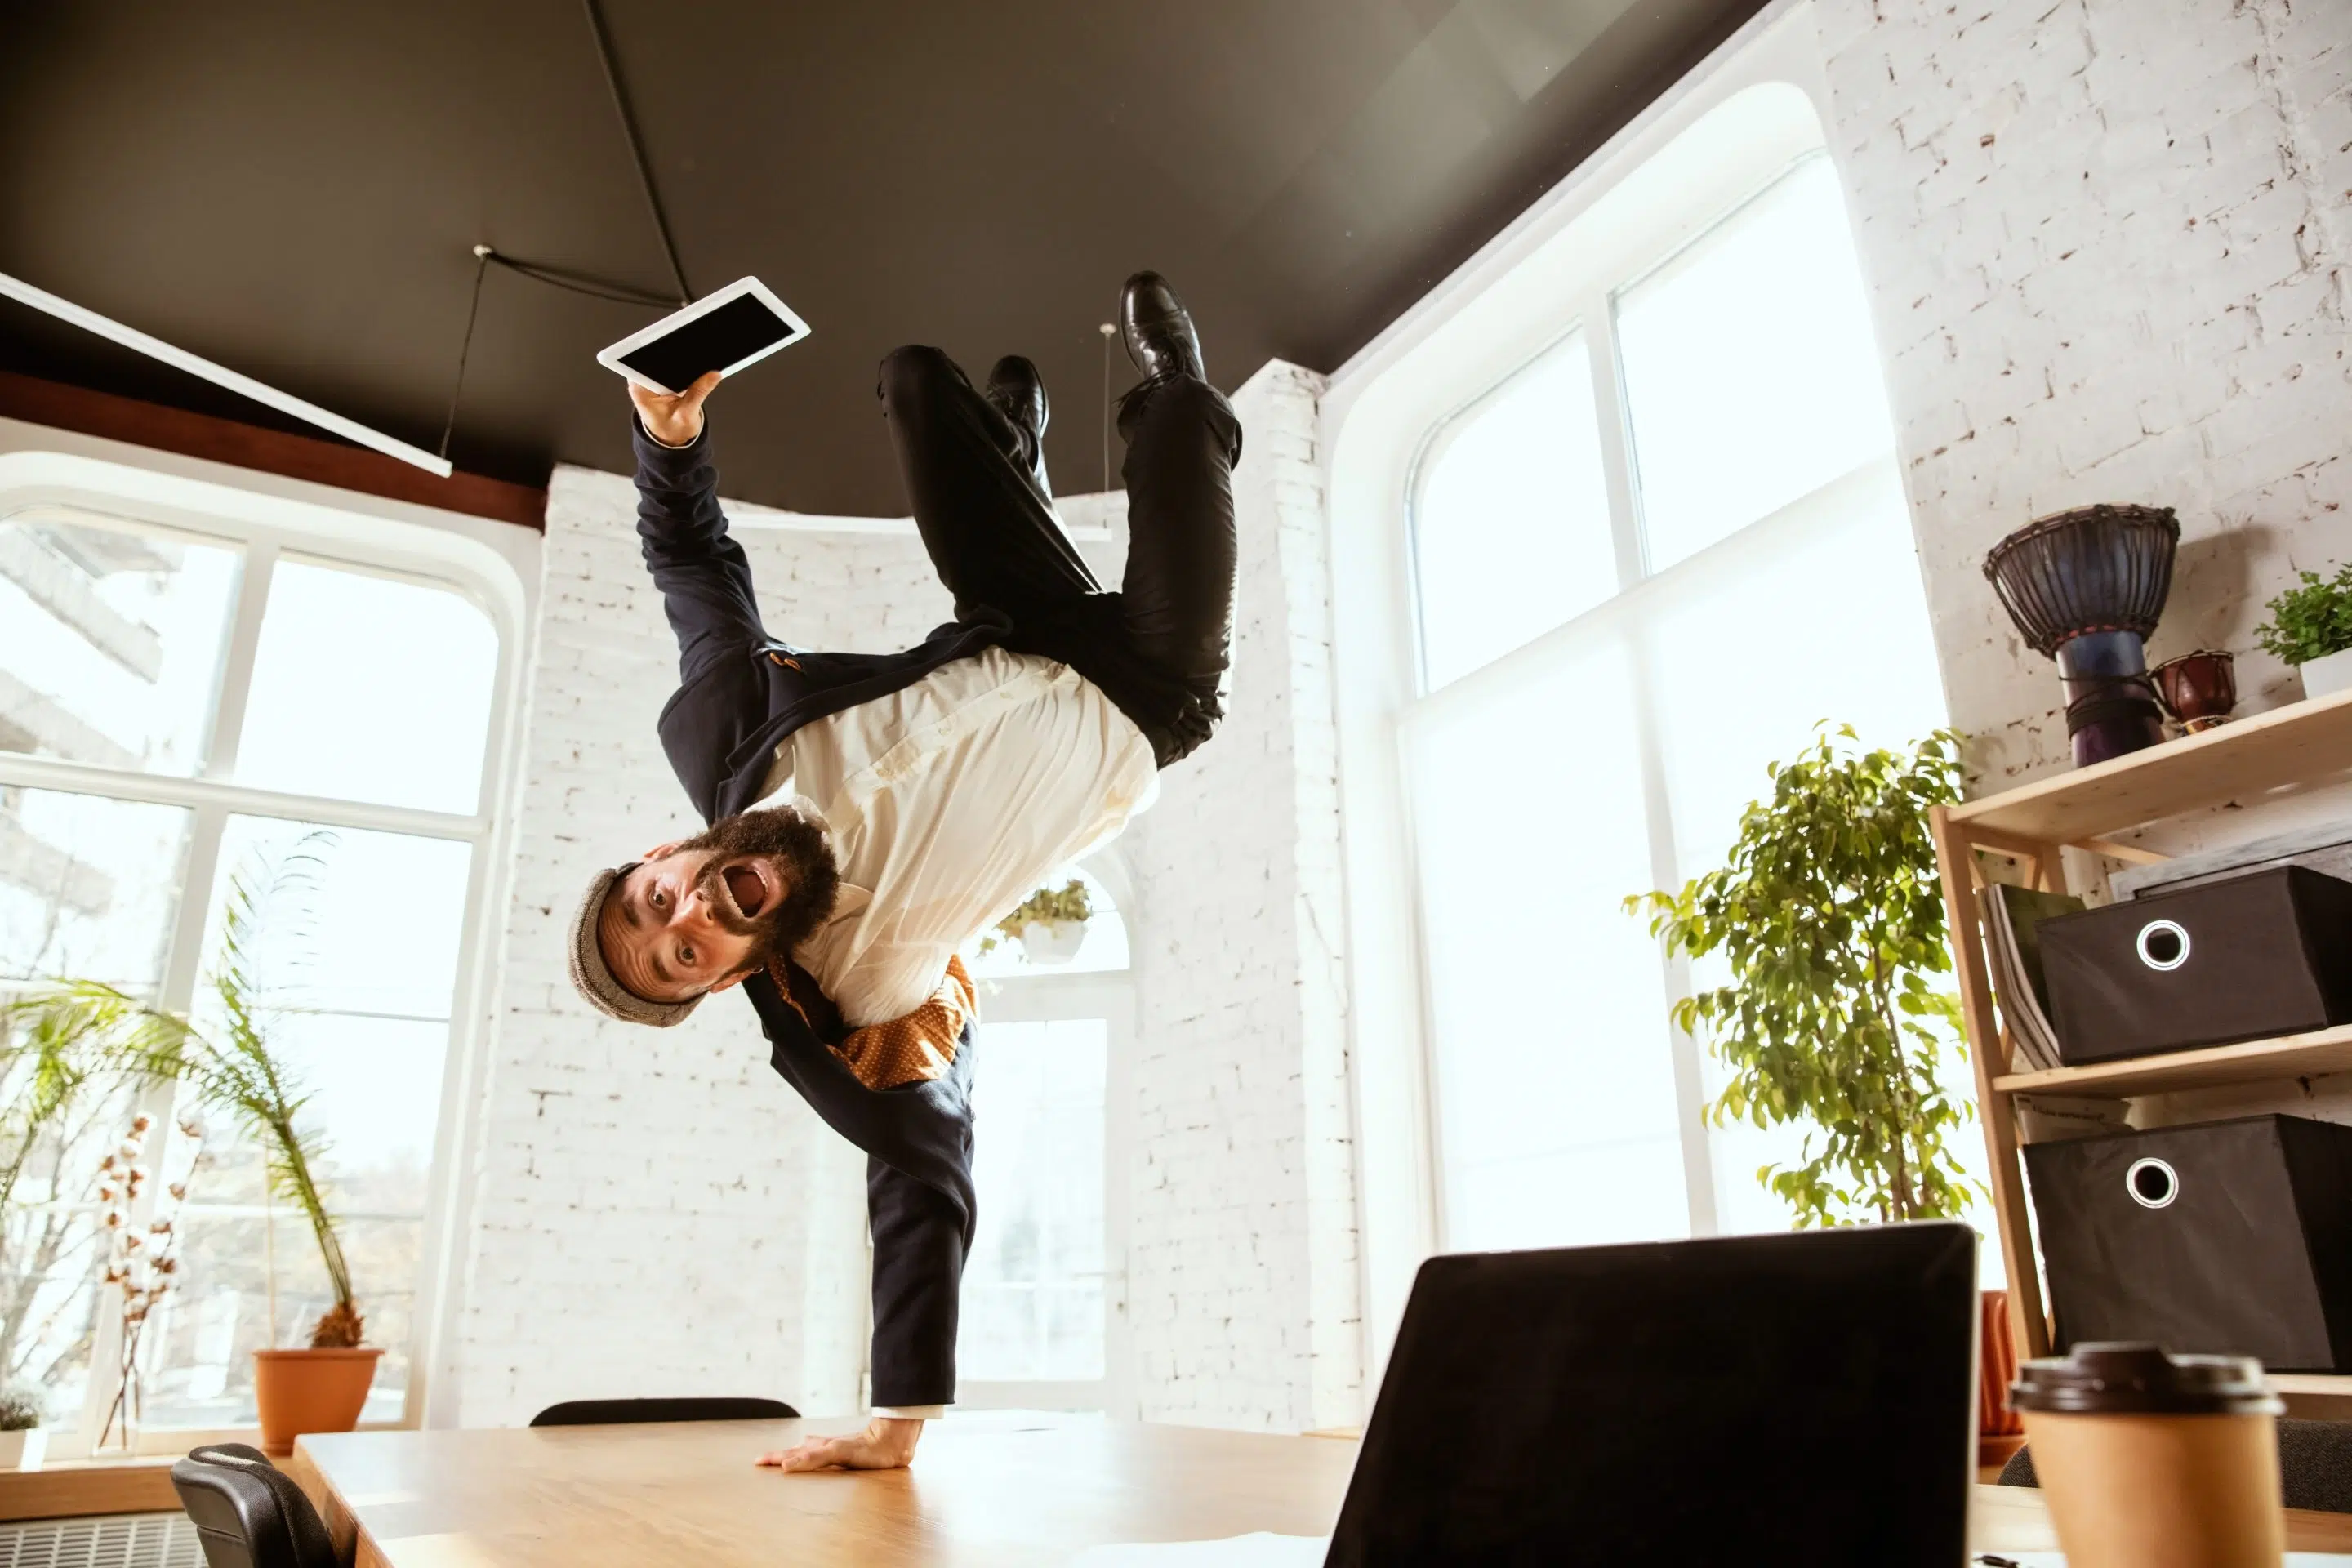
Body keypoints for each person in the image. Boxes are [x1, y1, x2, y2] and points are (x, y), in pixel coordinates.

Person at [565, 273, 1241, 1471]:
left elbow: (689, 562)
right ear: (721, 980)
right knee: (1183, 427)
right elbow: (920, 1172)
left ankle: (1012, 458)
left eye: (655, 898)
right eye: (681, 955)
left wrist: (667, 433)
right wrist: (899, 1423)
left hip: (1022, 624)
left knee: (918, 382)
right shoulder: (853, 991)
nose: (688, 917)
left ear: (664, 852)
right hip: (1148, 690)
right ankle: (1163, 392)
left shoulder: (734, 732)